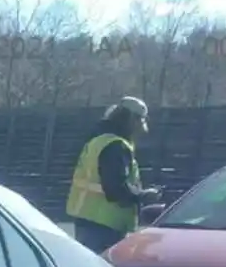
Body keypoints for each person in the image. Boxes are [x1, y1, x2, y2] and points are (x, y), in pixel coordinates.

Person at [65, 96, 160, 255]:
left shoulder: (98, 140)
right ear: (131, 120)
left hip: (89, 220)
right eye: (139, 122)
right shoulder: (116, 146)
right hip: (104, 225)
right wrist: (144, 196)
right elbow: (116, 189)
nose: (140, 130)